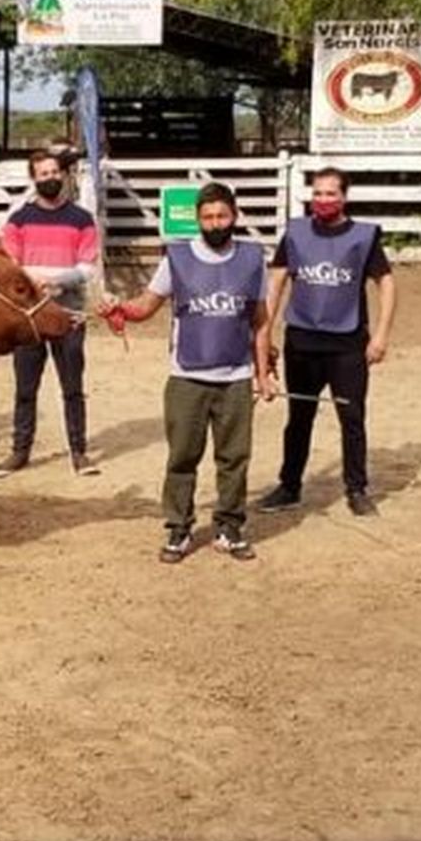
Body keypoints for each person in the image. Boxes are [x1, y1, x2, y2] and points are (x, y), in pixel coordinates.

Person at [98, 182, 272, 562]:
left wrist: (264, 373)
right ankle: (178, 527)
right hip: (187, 377)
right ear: (197, 220)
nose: (215, 223)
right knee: (182, 457)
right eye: (207, 217)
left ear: (235, 216)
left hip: (236, 378)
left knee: (235, 458)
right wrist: (121, 309)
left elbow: (260, 322)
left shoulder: (252, 259)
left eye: (222, 216)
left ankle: (229, 526)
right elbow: (147, 305)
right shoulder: (176, 259)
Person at [255, 166, 398, 517]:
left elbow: (387, 284)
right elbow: (275, 283)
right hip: (302, 340)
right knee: (299, 417)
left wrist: (380, 335)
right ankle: (289, 486)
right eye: (317, 193)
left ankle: (357, 488)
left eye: (330, 193)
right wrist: (266, 333)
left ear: (344, 197)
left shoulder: (363, 237)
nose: (323, 200)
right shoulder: (296, 233)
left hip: (348, 343)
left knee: (352, 415)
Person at [0, 147, 101, 477]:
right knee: (25, 388)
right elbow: (11, 266)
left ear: (63, 175)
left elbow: (86, 268)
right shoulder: (18, 220)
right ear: (33, 178)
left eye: (55, 173)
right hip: (28, 319)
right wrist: (35, 286)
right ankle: (19, 451)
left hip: (69, 314)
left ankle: (78, 452)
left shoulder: (82, 219)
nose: (50, 178)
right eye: (43, 174)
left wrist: (54, 280)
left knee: (72, 387)